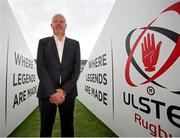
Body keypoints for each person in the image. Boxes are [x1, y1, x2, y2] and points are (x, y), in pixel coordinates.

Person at [36, 13, 80, 137]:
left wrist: (64, 91)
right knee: (46, 127)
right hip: (46, 93)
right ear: (51, 25)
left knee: (68, 127)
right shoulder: (43, 42)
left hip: (68, 93)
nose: (58, 23)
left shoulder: (75, 44)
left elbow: (76, 70)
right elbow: (41, 67)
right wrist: (52, 92)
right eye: (55, 21)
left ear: (66, 25)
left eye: (61, 21)